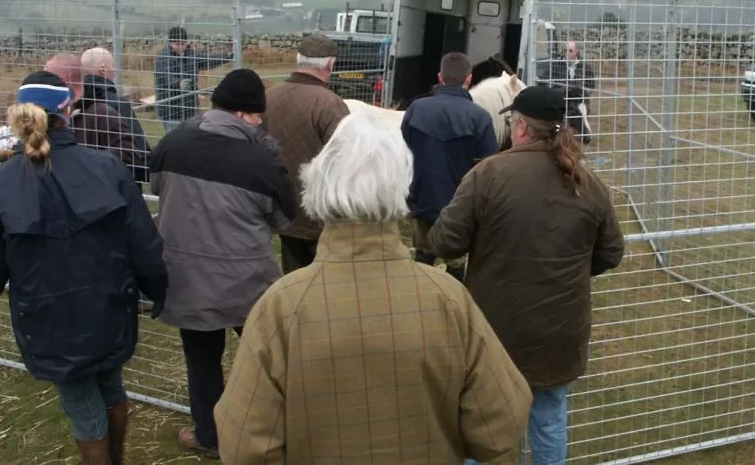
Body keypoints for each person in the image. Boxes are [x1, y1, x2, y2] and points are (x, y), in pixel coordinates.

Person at [213, 110, 532, 465]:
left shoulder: (281, 306)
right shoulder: (448, 298)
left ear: (316, 186)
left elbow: (244, 444)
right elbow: (500, 426)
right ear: (400, 188)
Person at [0, 71, 168, 465]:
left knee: (81, 398)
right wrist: (157, 288)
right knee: (109, 383)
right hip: (110, 305)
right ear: (69, 109)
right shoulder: (107, 169)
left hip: (46, 316)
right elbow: (144, 244)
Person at [428, 85, 625, 464]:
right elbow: (611, 252)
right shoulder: (588, 181)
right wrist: (569, 271)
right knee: (548, 421)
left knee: (485, 421)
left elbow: (444, 242)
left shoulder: (487, 173)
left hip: (495, 328)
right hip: (560, 329)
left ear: (519, 126)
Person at [148, 68, 297, 458]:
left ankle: (209, 436)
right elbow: (285, 219)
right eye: (258, 115)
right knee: (269, 361)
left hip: (185, 280)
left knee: (201, 362)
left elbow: (156, 187)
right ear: (246, 114)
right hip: (246, 282)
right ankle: (280, 430)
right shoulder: (261, 160)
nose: (261, 121)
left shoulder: (171, 142)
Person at [400, 52, 498, 281]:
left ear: (440, 76)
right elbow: (489, 167)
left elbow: (403, 152)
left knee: (423, 259)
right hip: (461, 208)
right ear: (469, 79)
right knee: (457, 265)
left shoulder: (416, 109)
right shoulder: (480, 117)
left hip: (422, 201)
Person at [263, 33, 350, 273]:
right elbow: (345, 161)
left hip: (280, 205)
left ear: (298, 59)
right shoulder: (331, 104)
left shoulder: (269, 96)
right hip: (319, 213)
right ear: (330, 64)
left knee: (293, 274)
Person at [67, 48, 149, 182]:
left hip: (80, 177)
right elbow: (137, 148)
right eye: (113, 65)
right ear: (103, 69)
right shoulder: (116, 103)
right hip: (116, 179)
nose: (115, 70)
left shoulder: (71, 102)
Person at [153, 26, 234, 132]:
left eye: (183, 43)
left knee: (191, 137)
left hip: (189, 107)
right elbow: (163, 76)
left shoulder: (191, 55)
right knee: (174, 139)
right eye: (177, 44)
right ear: (170, 43)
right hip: (170, 109)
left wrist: (226, 56)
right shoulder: (163, 58)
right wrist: (178, 84)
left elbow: (207, 60)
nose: (181, 47)